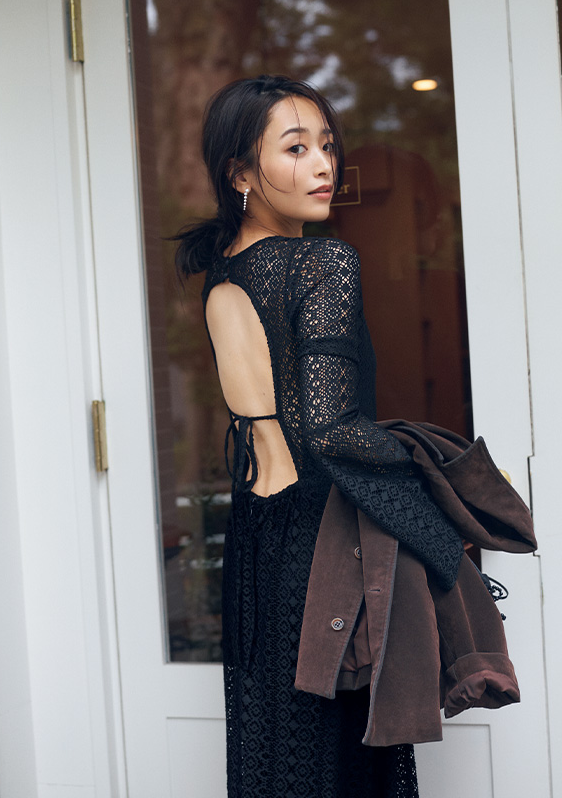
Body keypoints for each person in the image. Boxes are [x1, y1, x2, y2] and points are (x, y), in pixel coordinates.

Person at [171, 74, 464, 798]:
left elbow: (278, 426)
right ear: (240, 173)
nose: (324, 165)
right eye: (296, 148)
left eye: (327, 146)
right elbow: (330, 430)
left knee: (281, 758)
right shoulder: (322, 263)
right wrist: (442, 479)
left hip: (258, 545)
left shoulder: (224, 275)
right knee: (346, 766)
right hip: (324, 545)